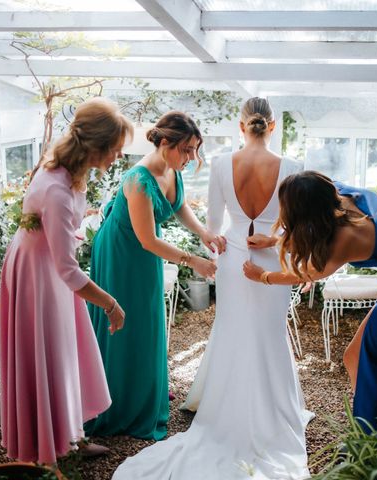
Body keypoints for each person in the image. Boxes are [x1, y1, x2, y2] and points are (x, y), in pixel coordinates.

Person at [112, 97, 311, 480]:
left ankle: (226, 410)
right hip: (269, 260)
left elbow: (214, 227)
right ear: (271, 126)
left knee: (232, 332)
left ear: (241, 127)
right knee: (270, 335)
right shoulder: (294, 168)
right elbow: (295, 229)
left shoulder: (221, 164)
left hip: (234, 261)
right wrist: (272, 240)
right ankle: (273, 412)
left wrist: (216, 248)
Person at [243, 171, 377, 431]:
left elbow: (305, 274)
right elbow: (316, 229)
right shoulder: (339, 195)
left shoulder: (346, 239)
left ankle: (372, 437)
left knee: (372, 359)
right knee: (361, 356)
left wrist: (262, 276)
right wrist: (275, 240)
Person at [0, 97, 132, 465]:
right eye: (116, 150)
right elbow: (68, 270)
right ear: (96, 147)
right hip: (37, 278)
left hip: (47, 268)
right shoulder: (56, 187)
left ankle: (71, 433)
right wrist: (110, 302)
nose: (117, 157)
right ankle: (44, 448)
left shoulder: (68, 172)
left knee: (70, 350)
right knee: (48, 354)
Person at [85, 111, 224, 440]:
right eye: (187, 150)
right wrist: (194, 262)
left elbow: (179, 206)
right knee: (123, 324)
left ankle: (144, 389)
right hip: (120, 254)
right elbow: (147, 238)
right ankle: (116, 403)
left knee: (148, 319)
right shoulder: (139, 178)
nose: (192, 158)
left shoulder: (172, 168)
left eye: (195, 150)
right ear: (165, 143)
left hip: (144, 254)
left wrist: (204, 232)